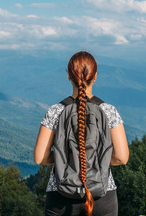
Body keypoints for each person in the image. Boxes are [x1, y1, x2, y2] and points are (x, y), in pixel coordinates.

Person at [34, 51, 129, 216]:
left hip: (60, 195)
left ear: (69, 76)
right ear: (95, 76)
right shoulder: (109, 111)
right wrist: (100, 162)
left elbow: (40, 158)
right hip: (102, 195)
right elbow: (121, 157)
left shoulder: (55, 111)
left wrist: (66, 160)